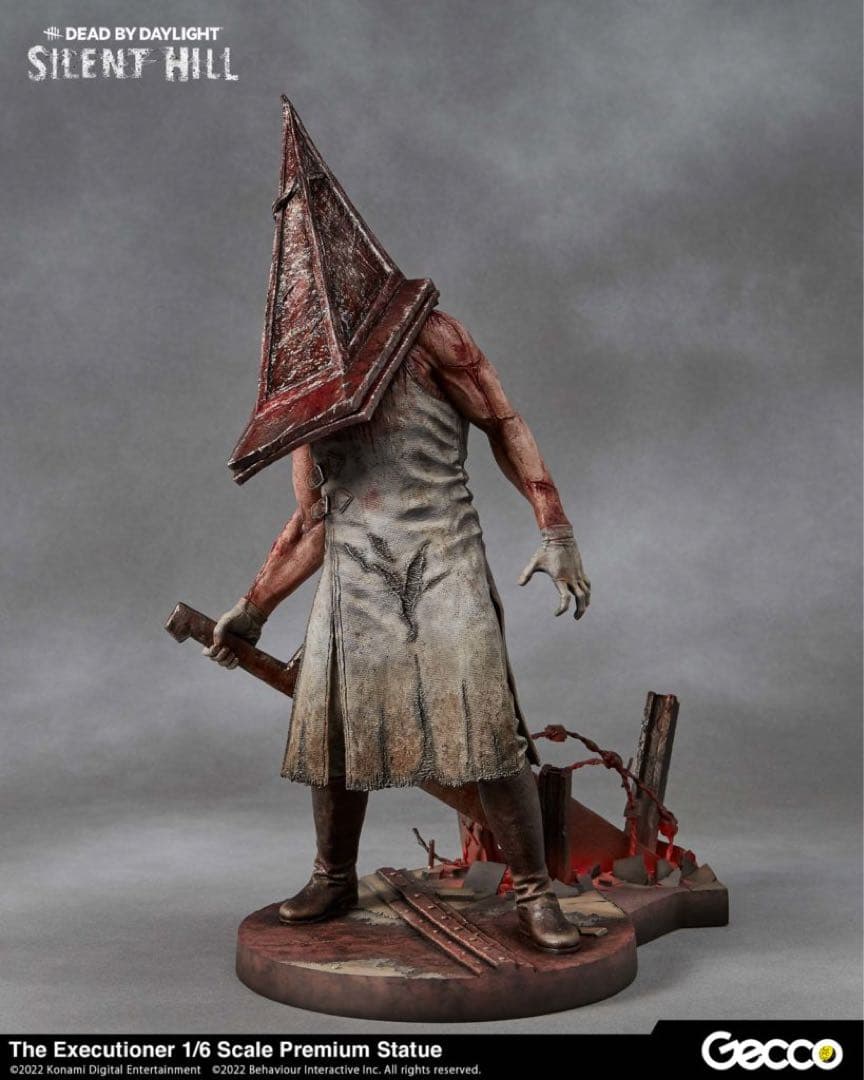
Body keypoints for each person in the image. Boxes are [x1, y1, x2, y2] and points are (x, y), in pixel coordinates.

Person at [204, 308, 591, 952]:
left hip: (444, 556)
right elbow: (315, 518)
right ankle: (333, 877)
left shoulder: (428, 331)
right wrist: (254, 606)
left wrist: (556, 529)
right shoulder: (309, 368)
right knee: (331, 725)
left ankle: (534, 893)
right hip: (355, 572)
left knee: (487, 726)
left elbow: (503, 421)